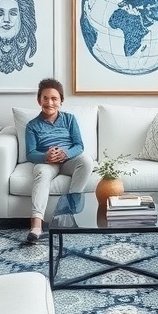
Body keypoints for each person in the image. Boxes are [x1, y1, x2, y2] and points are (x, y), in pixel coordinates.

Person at [25, 78, 94, 244]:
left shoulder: (70, 119)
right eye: (45, 98)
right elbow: (30, 153)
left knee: (86, 161)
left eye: (54, 98)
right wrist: (45, 156)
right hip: (47, 163)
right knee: (41, 172)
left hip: (68, 160)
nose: (50, 102)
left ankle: (69, 216)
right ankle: (36, 226)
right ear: (39, 100)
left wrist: (65, 153)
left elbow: (79, 145)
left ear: (61, 101)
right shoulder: (32, 126)